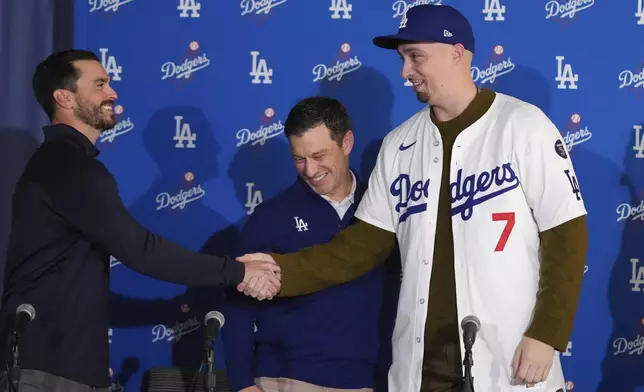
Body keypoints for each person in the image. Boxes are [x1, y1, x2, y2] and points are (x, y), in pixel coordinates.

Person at [236, 4, 588, 392]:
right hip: (423, 363)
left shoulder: (523, 125)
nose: (405, 71)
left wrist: (547, 332)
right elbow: (359, 248)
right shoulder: (399, 144)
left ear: (457, 54)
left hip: (510, 355)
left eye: (415, 56)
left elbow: (566, 235)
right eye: (403, 58)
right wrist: (281, 270)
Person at [0, 49, 279, 392]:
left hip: (62, 367)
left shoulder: (62, 163)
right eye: (100, 84)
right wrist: (238, 272)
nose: (112, 93)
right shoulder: (68, 166)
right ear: (64, 98)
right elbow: (140, 250)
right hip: (48, 371)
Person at [222, 97, 395, 392]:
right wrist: (241, 384)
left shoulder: (383, 208)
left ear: (348, 142)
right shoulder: (271, 216)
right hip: (287, 379)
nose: (310, 170)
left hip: (370, 382)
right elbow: (236, 307)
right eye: (299, 158)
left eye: (319, 155)